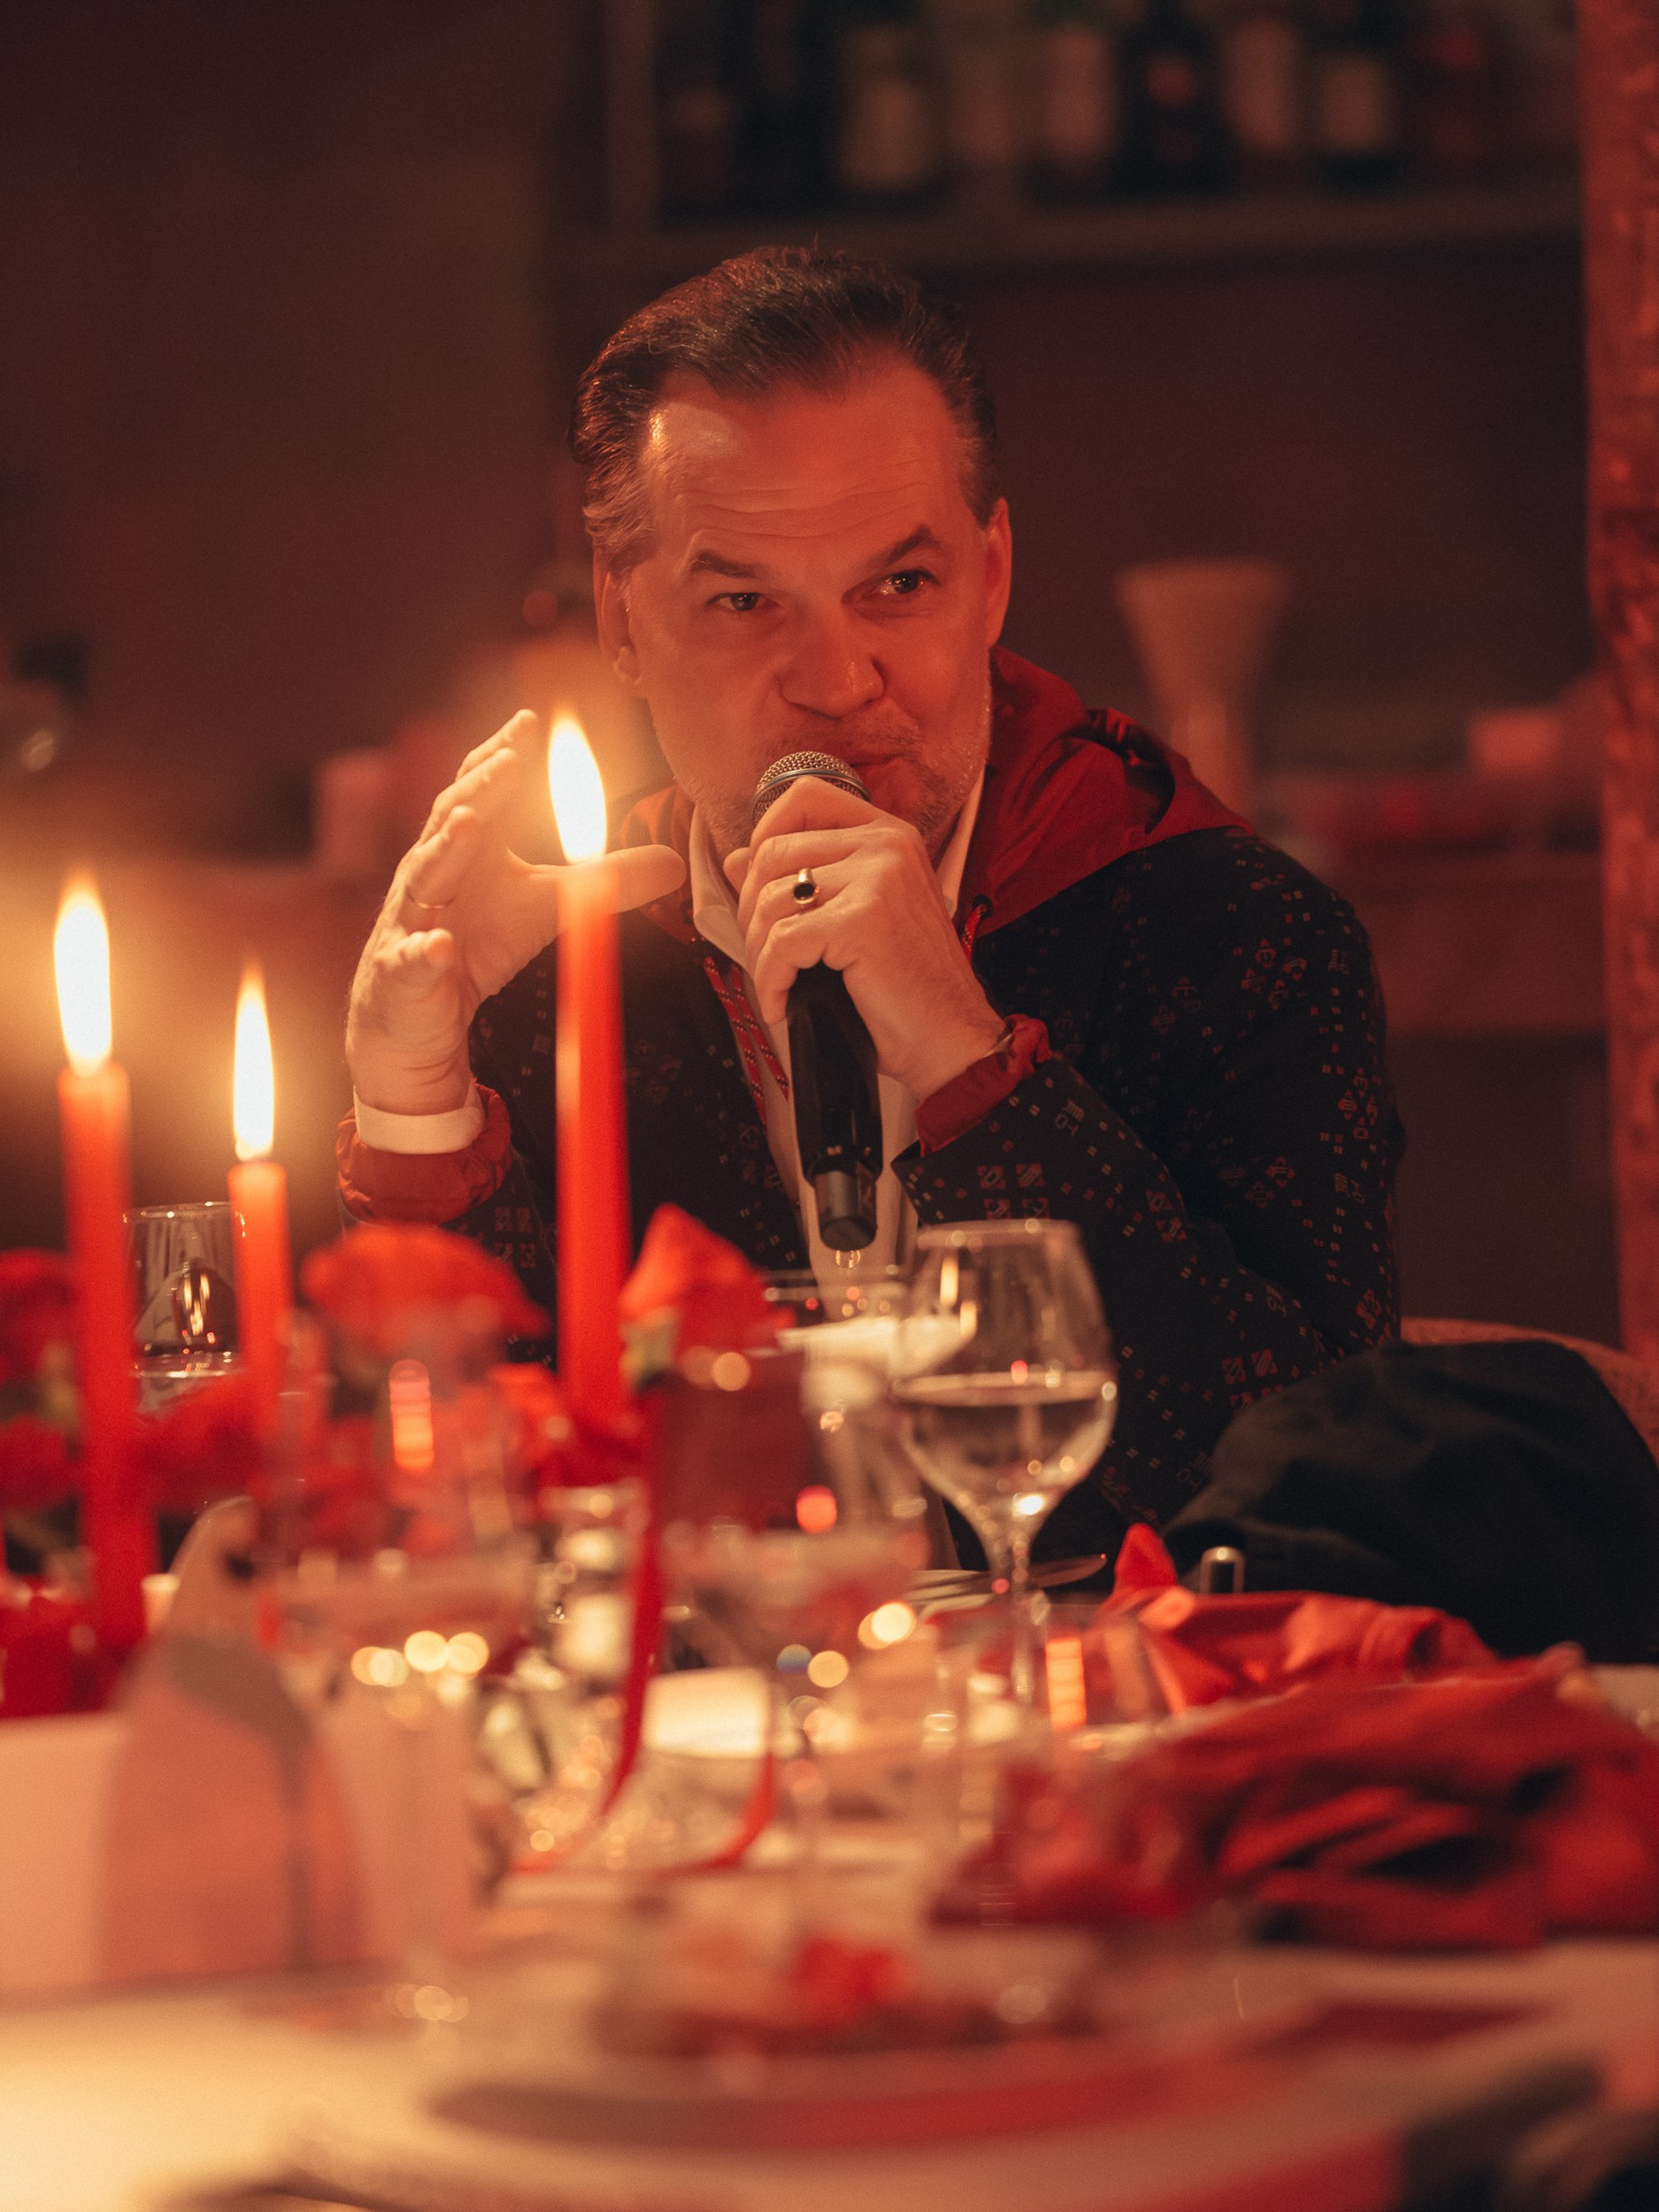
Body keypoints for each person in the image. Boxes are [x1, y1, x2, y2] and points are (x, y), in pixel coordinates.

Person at [339, 246, 1403, 1558]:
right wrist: (415, 1106)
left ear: (993, 573)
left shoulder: (1233, 930)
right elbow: (448, 1519)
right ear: (618, 622)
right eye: (743, 600)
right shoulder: (558, 955)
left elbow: (1328, 1489)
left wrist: (968, 1059)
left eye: (899, 585)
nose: (838, 681)